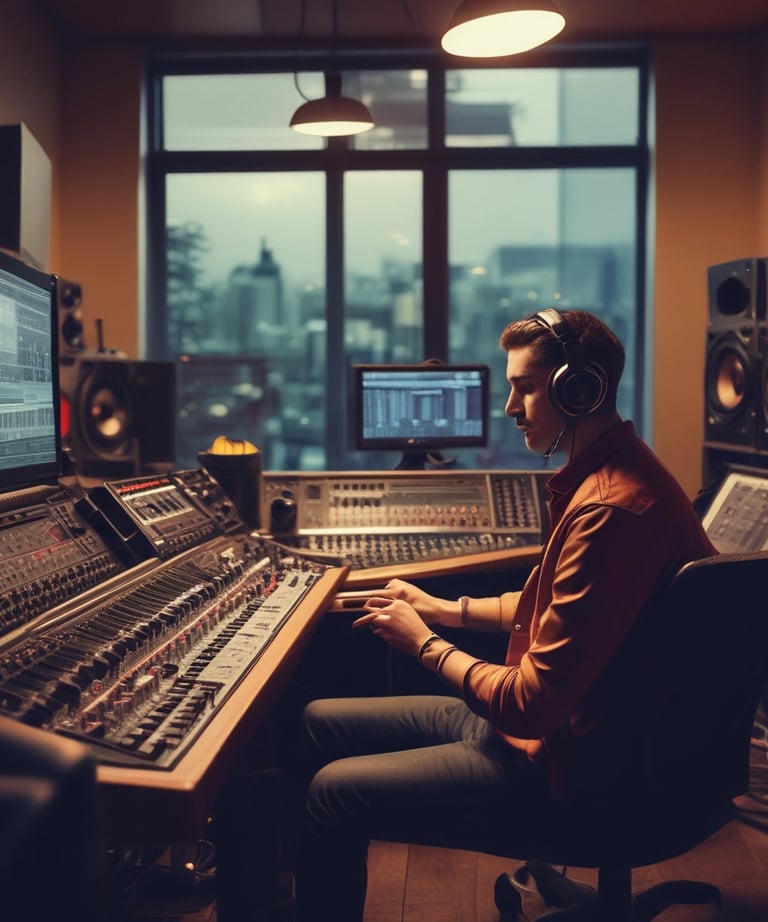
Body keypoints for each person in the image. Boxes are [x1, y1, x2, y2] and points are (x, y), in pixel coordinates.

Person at [292, 309, 717, 922]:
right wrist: (444, 608)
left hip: (579, 771)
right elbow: (562, 606)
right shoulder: (613, 477)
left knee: (332, 794)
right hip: (581, 738)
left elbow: (532, 703)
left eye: (525, 387)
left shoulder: (612, 512)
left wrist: (424, 644)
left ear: (579, 388)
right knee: (315, 721)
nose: (510, 407)